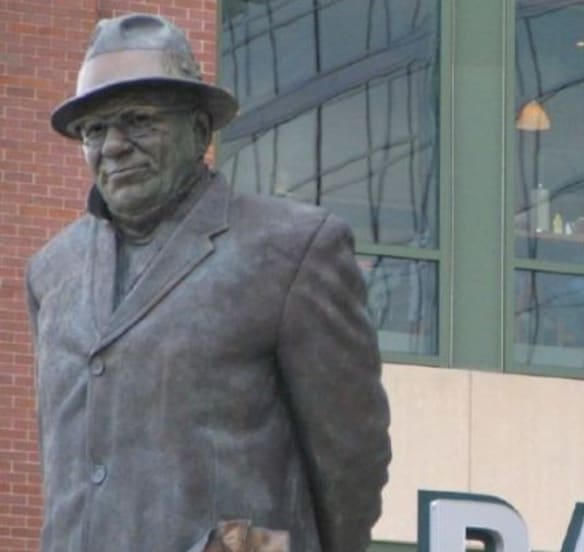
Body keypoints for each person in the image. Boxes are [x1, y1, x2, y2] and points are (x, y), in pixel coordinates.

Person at [25, 14, 390, 552]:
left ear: (199, 131)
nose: (113, 146)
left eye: (138, 120)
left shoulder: (293, 249)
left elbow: (351, 460)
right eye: (94, 130)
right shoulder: (52, 272)